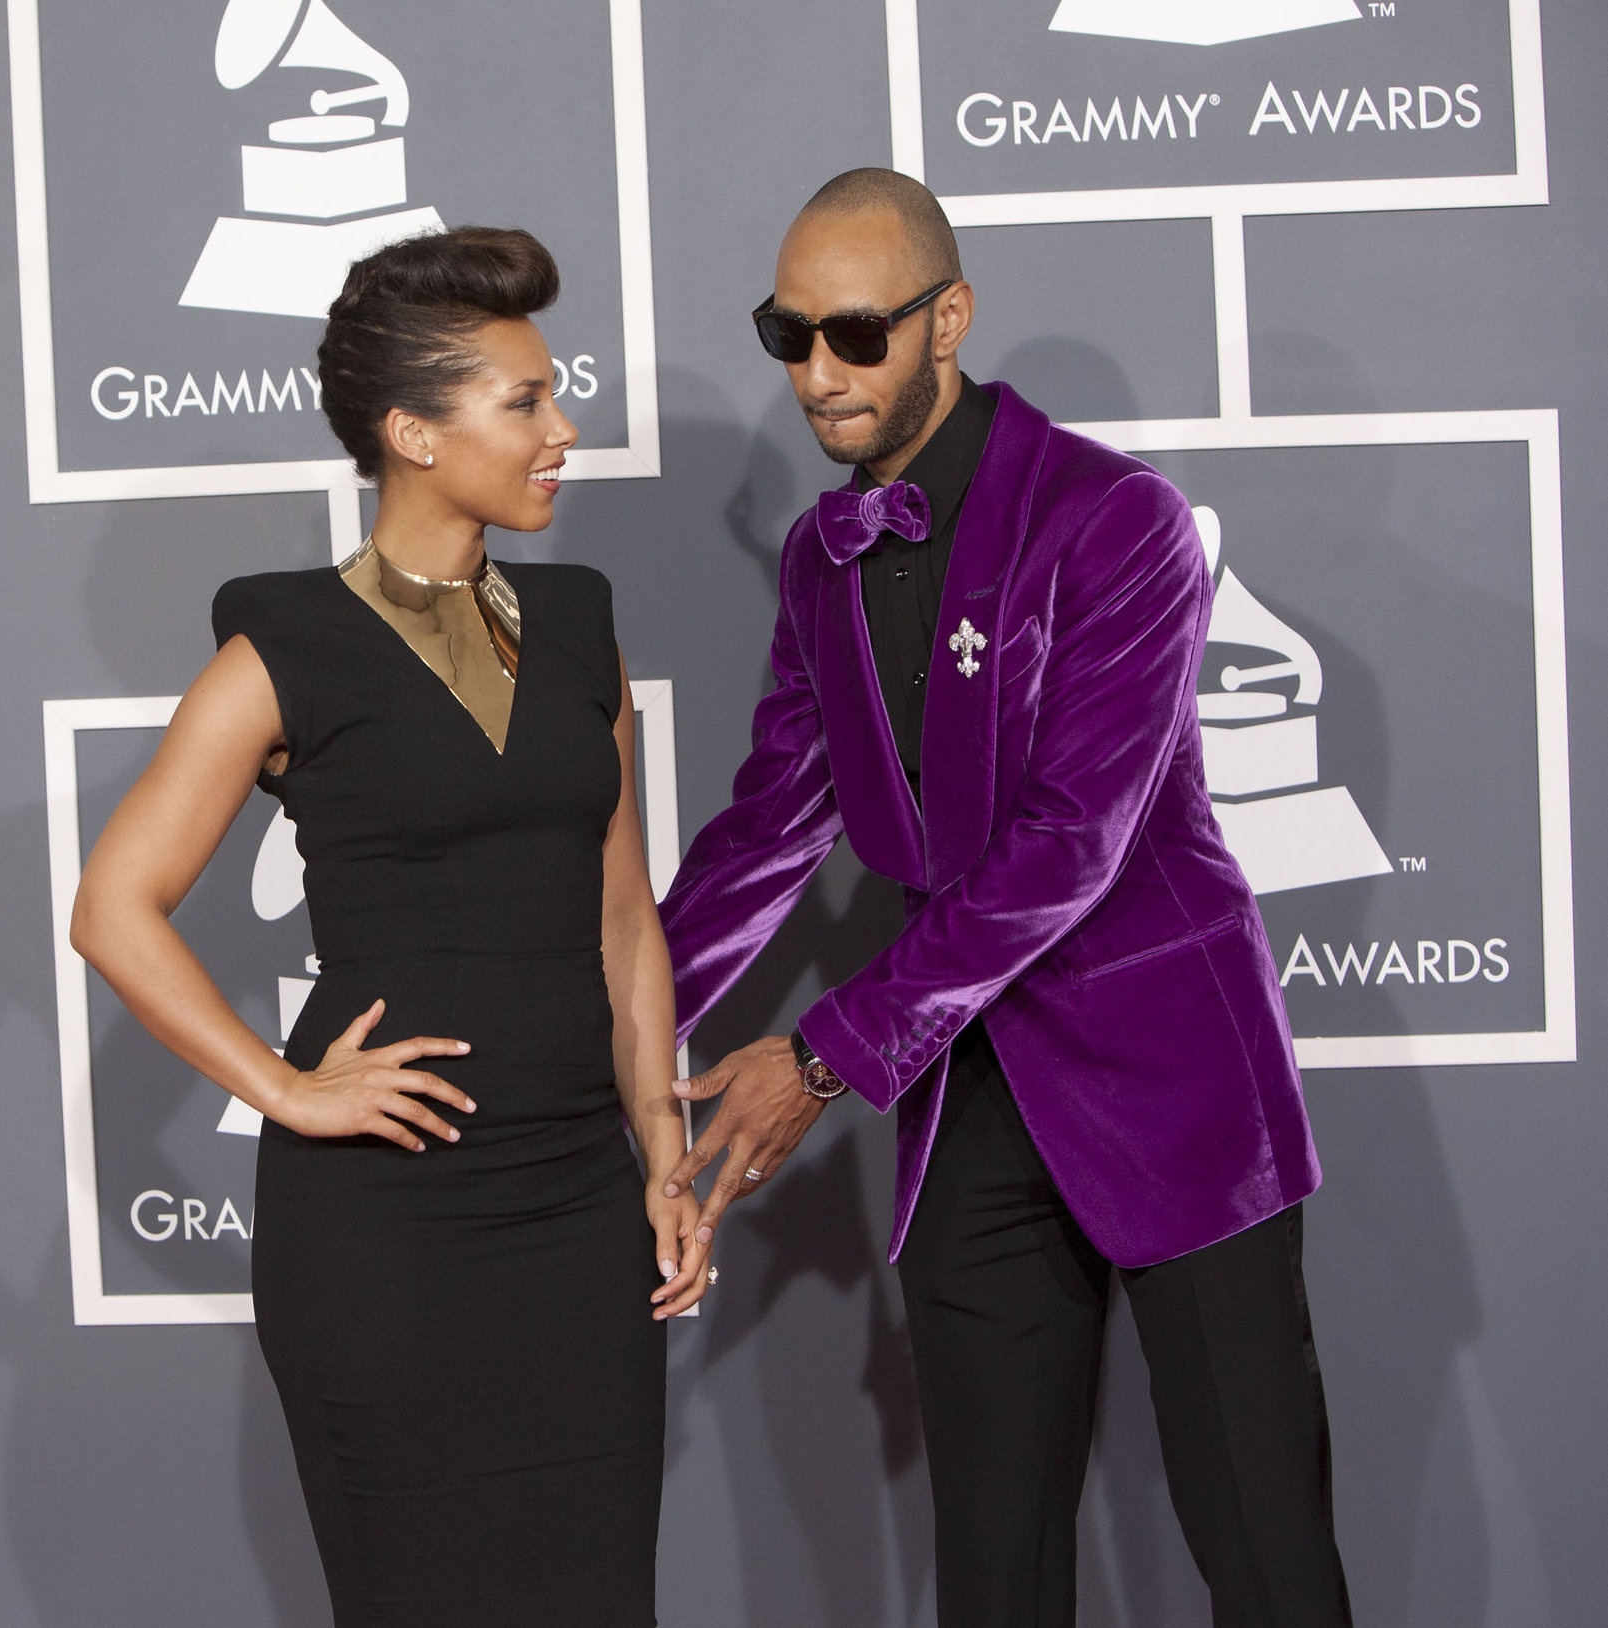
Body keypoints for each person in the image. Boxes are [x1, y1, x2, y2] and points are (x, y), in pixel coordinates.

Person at [658, 169, 1355, 1627]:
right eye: (787, 335)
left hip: (1173, 1086)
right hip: (969, 1094)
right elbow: (771, 824)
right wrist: (613, 1020)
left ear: (948, 317)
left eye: (855, 334)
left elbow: (1070, 845)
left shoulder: (1117, 519)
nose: (817, 374)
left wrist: (821, 1056)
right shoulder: (824, 559)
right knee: (992, 1567)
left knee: (1265, 1553)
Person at [70, 226, 704, 1628]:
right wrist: (286, 1088)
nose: (563, 429)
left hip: (579, 1211)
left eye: (554, 396)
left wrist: (662, 1148)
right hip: (385, 1233)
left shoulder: (581, 626)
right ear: (414, 433)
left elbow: (622, 916)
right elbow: (112, 909)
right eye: (525, 402)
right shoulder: (283, 648)